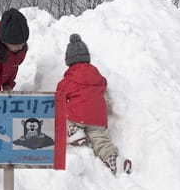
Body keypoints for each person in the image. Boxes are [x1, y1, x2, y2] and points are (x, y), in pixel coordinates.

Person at [56, 34, 131, 175]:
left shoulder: (70, 77)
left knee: (62, 116)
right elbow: (104, 84)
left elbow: (59, 95)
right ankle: (115, 160)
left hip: (77, 116)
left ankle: (75, 132)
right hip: (98, 119)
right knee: (101, 141)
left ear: (69, 61)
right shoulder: (97, 76)